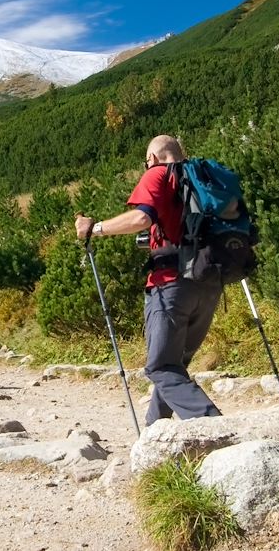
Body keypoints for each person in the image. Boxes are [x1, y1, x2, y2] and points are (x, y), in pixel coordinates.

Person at [75, 135, 224, 426]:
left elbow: (142, 219)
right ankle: (155, 432)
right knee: (174, 366)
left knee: (161, 367)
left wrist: (96, 228)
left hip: (171, 286)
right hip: (210, 284)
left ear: (153, 158)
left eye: (146, 161)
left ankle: (214, 425)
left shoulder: (157, 174)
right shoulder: (203, 178)